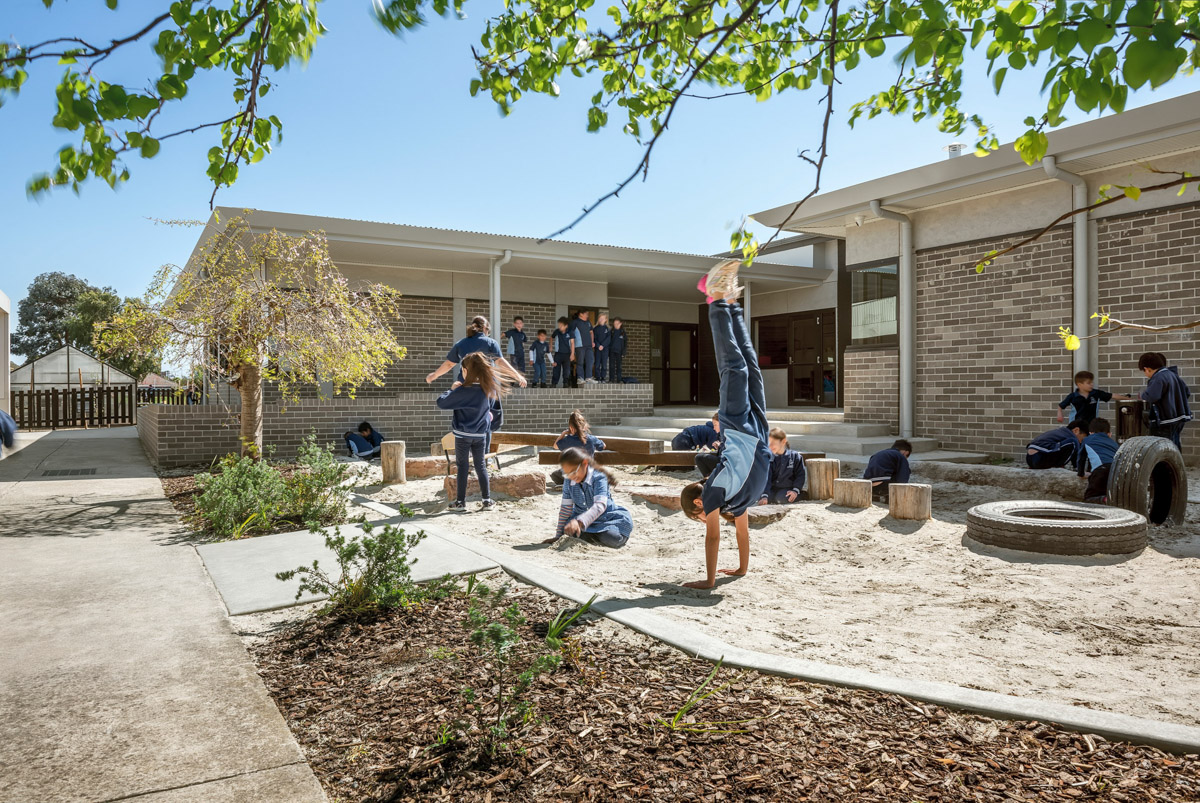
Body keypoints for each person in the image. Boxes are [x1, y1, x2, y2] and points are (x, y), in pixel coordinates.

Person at [678, 260, 772, 590]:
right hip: (759, 433)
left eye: (700, 517)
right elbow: (742, 535)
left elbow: (714, 540)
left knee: (735, 370)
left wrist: (708, 580)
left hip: (736, 428)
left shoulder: (717, 492)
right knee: (749, 364)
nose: (707, 521)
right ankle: (732, 304)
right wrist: (741, 570)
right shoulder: (737, 503)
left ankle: (716, 299)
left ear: (701, 504)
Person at [436, 352, 509, 511]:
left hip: (463, 435)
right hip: (481, 435)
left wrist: (452, 389)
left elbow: (441, 402)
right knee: (480, 466)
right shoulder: (486, 389)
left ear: (466, 371)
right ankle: (487, 500)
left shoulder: (462, 390)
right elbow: (488, 409)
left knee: (462, 466)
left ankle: (461, 502)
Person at [542, 447, 633, 548]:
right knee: (569, 531)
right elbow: (565, 509)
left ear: (585, 464)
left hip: (606, 519)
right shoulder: (568, 481)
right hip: (581, 522)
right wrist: (558, 536)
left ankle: (590, 535)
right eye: (567, 474)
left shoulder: (599, 478)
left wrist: (580, 522)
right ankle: (589, 535)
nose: (571, 476)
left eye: (574, 472)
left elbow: (600, 505)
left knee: (613, 539)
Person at [426, 315, 527, 388]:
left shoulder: (461, 343)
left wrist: (434, 375)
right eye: (488, 330)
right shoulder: (491, 343)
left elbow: (449, 364)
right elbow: (500, 361)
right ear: (484, 328)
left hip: (465, 386)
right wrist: (517, 376)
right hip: (486, 386)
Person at [1138, 351, 1192, 450]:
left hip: (1166, 421)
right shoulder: (1172, 375)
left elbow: (1151, 396)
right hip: (1178, 418)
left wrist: (1142, 394)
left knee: (1163, 449)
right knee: (1175, 446)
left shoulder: (1158, 378)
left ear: (1147, 369)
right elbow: (1187, 392)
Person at [550, 410, 606, 485]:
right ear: (585, 426)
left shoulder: (568, 440)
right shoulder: (591, 439)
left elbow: (555, 446)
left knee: (555, 475)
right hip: (588, 470)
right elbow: (603, 446)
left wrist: (563, 433)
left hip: (573, 471)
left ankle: (569, 482)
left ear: (570, 428)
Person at [1057, 370, 1130, 426]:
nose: (1091, 384)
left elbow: (1112, 396)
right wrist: (1059, 415)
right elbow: (1060, 406)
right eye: (1088, 383)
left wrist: (1128, 399)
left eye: (1092, 382)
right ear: (1079, 384)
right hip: (1076, 425)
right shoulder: (1073, 396)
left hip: (1092, 425)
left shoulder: (1096, 394)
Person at [759, 428, 806, 505]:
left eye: (773, 443)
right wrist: (764, 495)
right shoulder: (769, 458)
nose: (770, 446)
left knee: (781, 499)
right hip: (773, 489)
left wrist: (795, 490)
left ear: (783, 441)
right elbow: (767, 478)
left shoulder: (795, 457)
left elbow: (800, 475)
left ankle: (802, 494)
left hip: (788, 489)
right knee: (767, 498)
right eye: (769, 443)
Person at [1078, 417, 1119, 504]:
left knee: (1089, 499)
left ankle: (1105, 500)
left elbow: (1081, 458)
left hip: (1101, 470)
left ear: (1091, 432)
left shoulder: (1087, 439)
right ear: (1108, 433)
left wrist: (1081, 473)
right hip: (1115, 471)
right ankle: (1108, 499)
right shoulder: (1114, 443)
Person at [672, 412, 722, 478]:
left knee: (679, 460)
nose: (714, 428)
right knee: (686, 463)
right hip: (684, 440)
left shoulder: (706, 428)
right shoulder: (712, 431)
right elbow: (712, 444)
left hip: (680, 438)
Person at [571, 310, 595, 385]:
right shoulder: (575, 322)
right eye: (586, 313)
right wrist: (572, 348)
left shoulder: (588, 322)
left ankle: (588, 377)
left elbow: (591, 332)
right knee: (580, 362)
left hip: (589, 346)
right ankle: (580, 378)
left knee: (590, 361)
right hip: (579, 345)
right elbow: (571, 335)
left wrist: (592, 342)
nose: (587, 315)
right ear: (581, 314)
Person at [552, 317, 575, 388]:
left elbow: (572, 343)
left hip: (567, 354)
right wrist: (550, 346)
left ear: (566, 326)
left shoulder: (570, 332)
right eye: (559, 325)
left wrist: (572, 354)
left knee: (567, 370)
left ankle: (565, 383)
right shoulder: (557, 332)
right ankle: (554, 383)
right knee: (556, 369)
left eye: (561, 325)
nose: (559, 327)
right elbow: (551, 337)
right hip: (558, 353)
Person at [593, 313, 611, 382]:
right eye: (600, 318)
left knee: (604, 364)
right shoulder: (595, 328)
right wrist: (598, 345)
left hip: (605, 349)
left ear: (606, 320)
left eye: (603, 318)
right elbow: (594, 339)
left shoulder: (608, 329)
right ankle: (598, 377)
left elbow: (608, 339)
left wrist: (603, 345)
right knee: (597, 364)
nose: (601, 320)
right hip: (597, 349)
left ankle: (603, 378)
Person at [609, 317, 627, 383]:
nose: (616, 325)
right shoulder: (612, 332)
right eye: (614, 323)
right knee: (611, 366)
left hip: (619, 352)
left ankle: (619, 380)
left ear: (620, 324)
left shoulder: (623, 332)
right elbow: (609, 341)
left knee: (619, 366)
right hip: (612, 351)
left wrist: (624, 352)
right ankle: (611, 379)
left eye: (617, 323)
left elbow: (625, 343)